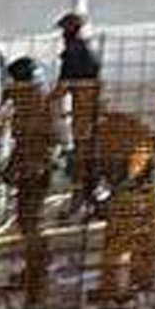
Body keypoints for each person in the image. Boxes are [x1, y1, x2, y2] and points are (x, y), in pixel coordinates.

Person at [1, 54, 58, 309]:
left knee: (30, 220)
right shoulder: (37, 101)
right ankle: (34, 268)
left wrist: (16, 166)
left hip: (34, 169)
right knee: (29, 220)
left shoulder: (32, 105)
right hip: (35, 166)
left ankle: (37, 271)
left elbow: (30, 141)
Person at [93, 107, 155, 307]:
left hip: (129, 194)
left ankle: (113, 291)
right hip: (145, 192)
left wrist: (106, 196)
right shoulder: (132, 128)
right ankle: (142, 285)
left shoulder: (105, 135)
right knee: (143, 238)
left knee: (117, 244)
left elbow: (116, 174)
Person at [55, 11, 105, 204]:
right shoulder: (89, 51)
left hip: (83, 110)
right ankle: (92, 189)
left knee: (83, 150)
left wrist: (44, 101)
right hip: (92, 107)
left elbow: (63, 87)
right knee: (89, 148)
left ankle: (85, 192)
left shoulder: (72, 54)